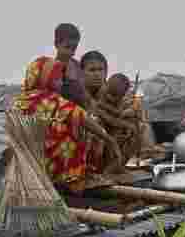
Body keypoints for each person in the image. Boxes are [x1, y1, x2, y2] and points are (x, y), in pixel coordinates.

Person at [12, 26, 124, 193]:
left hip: (27, 158)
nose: (58, 83)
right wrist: (109, 140)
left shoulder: (19, 100)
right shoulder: (47, 98)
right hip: (48, 155)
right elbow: (79, 115)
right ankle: (75, 178)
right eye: (54, 79)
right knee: (83, 129)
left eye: (74, 48)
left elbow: (85, 105)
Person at [93, 73, 163, 171]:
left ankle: (121, 164)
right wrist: (121, 118)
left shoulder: (124, 99)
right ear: (106, 85)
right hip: (103, 135)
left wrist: (131, 112)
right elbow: (106, 116)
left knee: (137, 128)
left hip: (116, 132)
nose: (110, 97)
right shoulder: (100, 98)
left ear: (123, 94)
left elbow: (125, 113)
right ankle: (108, 168)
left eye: (115, 96)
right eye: (109, 93)